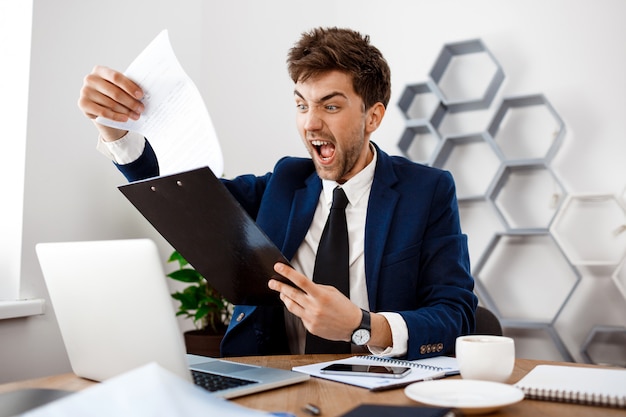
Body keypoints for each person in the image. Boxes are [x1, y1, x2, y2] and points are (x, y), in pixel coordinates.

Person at [78, 26, 477, 360]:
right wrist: (116, 131)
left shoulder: (427, 191)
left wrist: (363, 325)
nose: (310, 123)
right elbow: (190, 201)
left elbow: (456, 315)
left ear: (373, 116)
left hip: (382, 388)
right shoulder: (287, 181)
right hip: (275, 383)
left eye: (331, 107)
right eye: (301, 105)